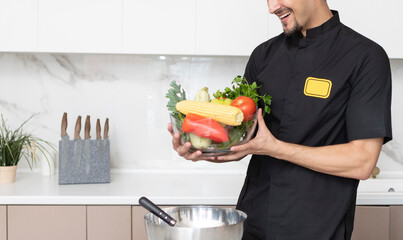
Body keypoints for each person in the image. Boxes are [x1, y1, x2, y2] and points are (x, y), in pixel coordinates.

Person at [168, 0, 392, 239]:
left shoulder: (365, 57)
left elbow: (362, 162)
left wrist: (276, 148)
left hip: (319, 227)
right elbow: (243, 140)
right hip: (254, 220)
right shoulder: (263, 56)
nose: (272, 7)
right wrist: (203, 150)